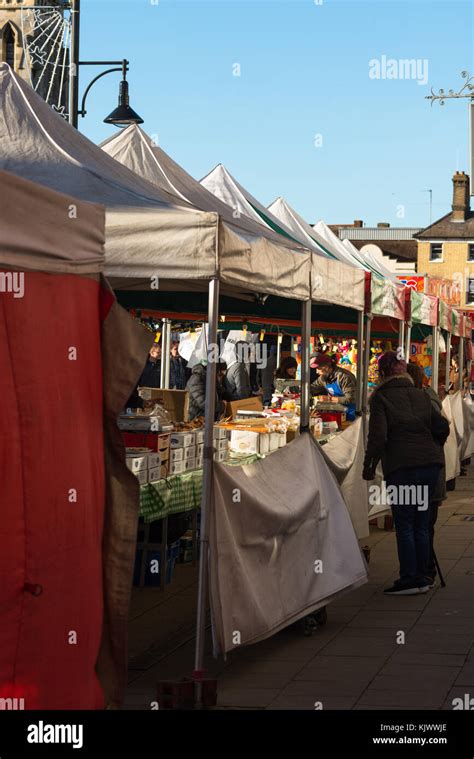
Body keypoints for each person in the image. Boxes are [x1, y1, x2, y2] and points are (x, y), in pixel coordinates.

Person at [363, 351, 450, 596]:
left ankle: (410, 578)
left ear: (382, 373)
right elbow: (442, 426)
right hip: (428, 467)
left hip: (403, 468)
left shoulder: (381, 397)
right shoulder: (421, 394)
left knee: (405, 525)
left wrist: (369, 467)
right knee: (421, 524)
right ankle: (423, 576)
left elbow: (378, 437)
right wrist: (432, 445)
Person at [407, 362, 447, 587]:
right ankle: (423, 569)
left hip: (425, 471)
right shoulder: (428, 398)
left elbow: (439, 432)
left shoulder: (423, 402)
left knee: (421, 525)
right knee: (423, 524)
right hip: (430, 470)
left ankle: (423, 571)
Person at [310, 352, 357, 420]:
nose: (317, 372)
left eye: (318, 368)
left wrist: (329, 399)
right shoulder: (323, 378)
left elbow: (350, 398)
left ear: (326, 367)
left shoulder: (344, 377)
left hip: (350, 413)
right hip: (336, 411)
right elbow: (312, 388)